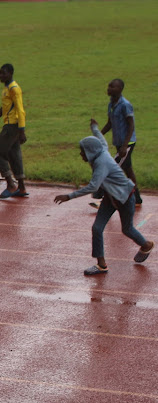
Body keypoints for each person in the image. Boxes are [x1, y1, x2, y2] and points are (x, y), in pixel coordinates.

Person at [54, 119, 153, 275]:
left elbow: (93, 186)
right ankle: (101, 265)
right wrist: (94, 127)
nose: (81, 154)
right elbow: (101, 139)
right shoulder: (102, 149)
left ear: (90, 152)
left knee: (127, 229)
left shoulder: (101, 163)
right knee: (97, 228)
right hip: (110, 198)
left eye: (82, 151)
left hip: (125, 198)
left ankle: (146, 245)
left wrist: (69, 196)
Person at [95, 79, 142, 207]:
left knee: (112, 170)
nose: (109, 88)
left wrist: (125, 145)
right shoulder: (111, 104)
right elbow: (110, 123)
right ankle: (137, 197)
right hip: (118, 142)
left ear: (120, 89)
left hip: (127, 143)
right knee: (128, 170)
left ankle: (103, 198)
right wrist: (98, 135)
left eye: (112, 86)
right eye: (108, 86)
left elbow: (131, 125)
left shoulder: (125, 105)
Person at [0, 63, 28, 198]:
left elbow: (20, 110)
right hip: (10, 125)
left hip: (12, 126)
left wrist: (22, 131)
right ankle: (21, 187)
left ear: (10, 74)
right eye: (0, 73)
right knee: (13, 154)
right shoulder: (6, 88)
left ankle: (11, 184)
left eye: (3, 73)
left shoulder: (14, 89)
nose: (1, 76)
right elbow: (4, 108)